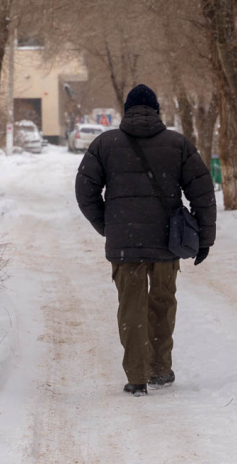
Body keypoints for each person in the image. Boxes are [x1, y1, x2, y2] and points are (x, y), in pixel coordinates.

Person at [74, 84, 216, 396]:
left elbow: (85, 191)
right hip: (167, 243)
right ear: (156, 111)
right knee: (162, 303)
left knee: (131, 307)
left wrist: (107, 225)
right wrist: (205, 238)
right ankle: (160, 369)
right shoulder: (178, 144)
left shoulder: (105, 144)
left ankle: (136, 377)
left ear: (126, 111)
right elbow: (202, 193)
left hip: (124, 243)